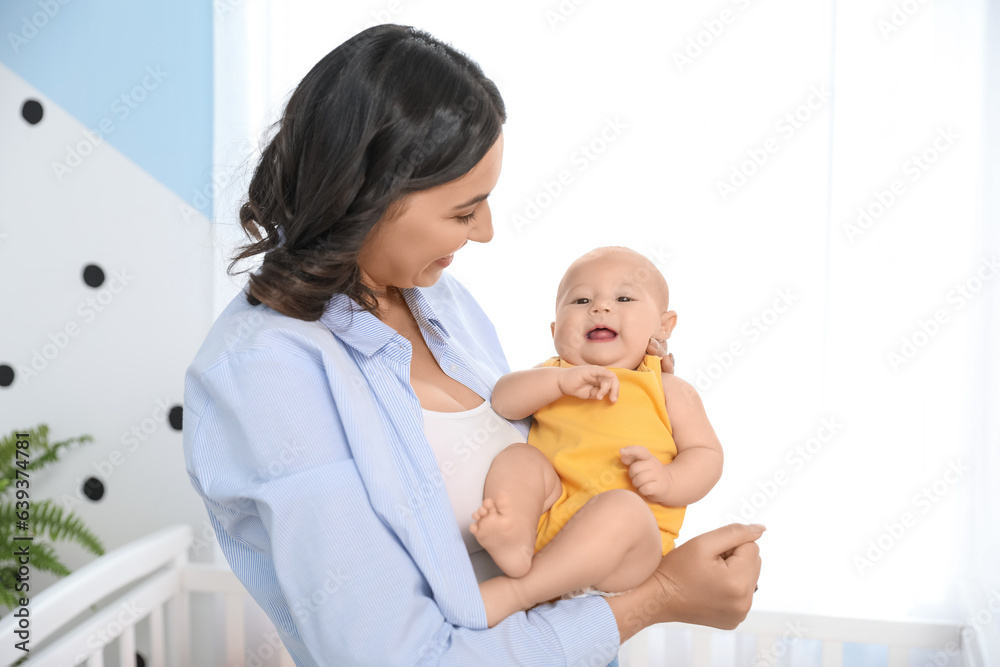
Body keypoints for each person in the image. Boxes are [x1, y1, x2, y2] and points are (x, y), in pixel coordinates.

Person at [182, 23, 763, 667]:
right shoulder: (267, 374)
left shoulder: (441, 303)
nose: (484, 232)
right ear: (366, 198)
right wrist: (660, 597)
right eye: (464, 211)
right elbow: (397, 657)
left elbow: (542, 448)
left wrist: (634, 392)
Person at [468, 247, 724, 627]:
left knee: (624, 506)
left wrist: (669, 480)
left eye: (623, 298)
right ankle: (516, 540)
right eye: (582, 299)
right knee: (519, 460)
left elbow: (706, 455)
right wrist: (558, 381)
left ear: (663, 326)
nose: (600, 308)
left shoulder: (667, 387)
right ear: (556, 331)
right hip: (551, 522)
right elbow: (504, 401)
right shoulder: (555, 376)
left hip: (627, 549)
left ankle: (519, 591)